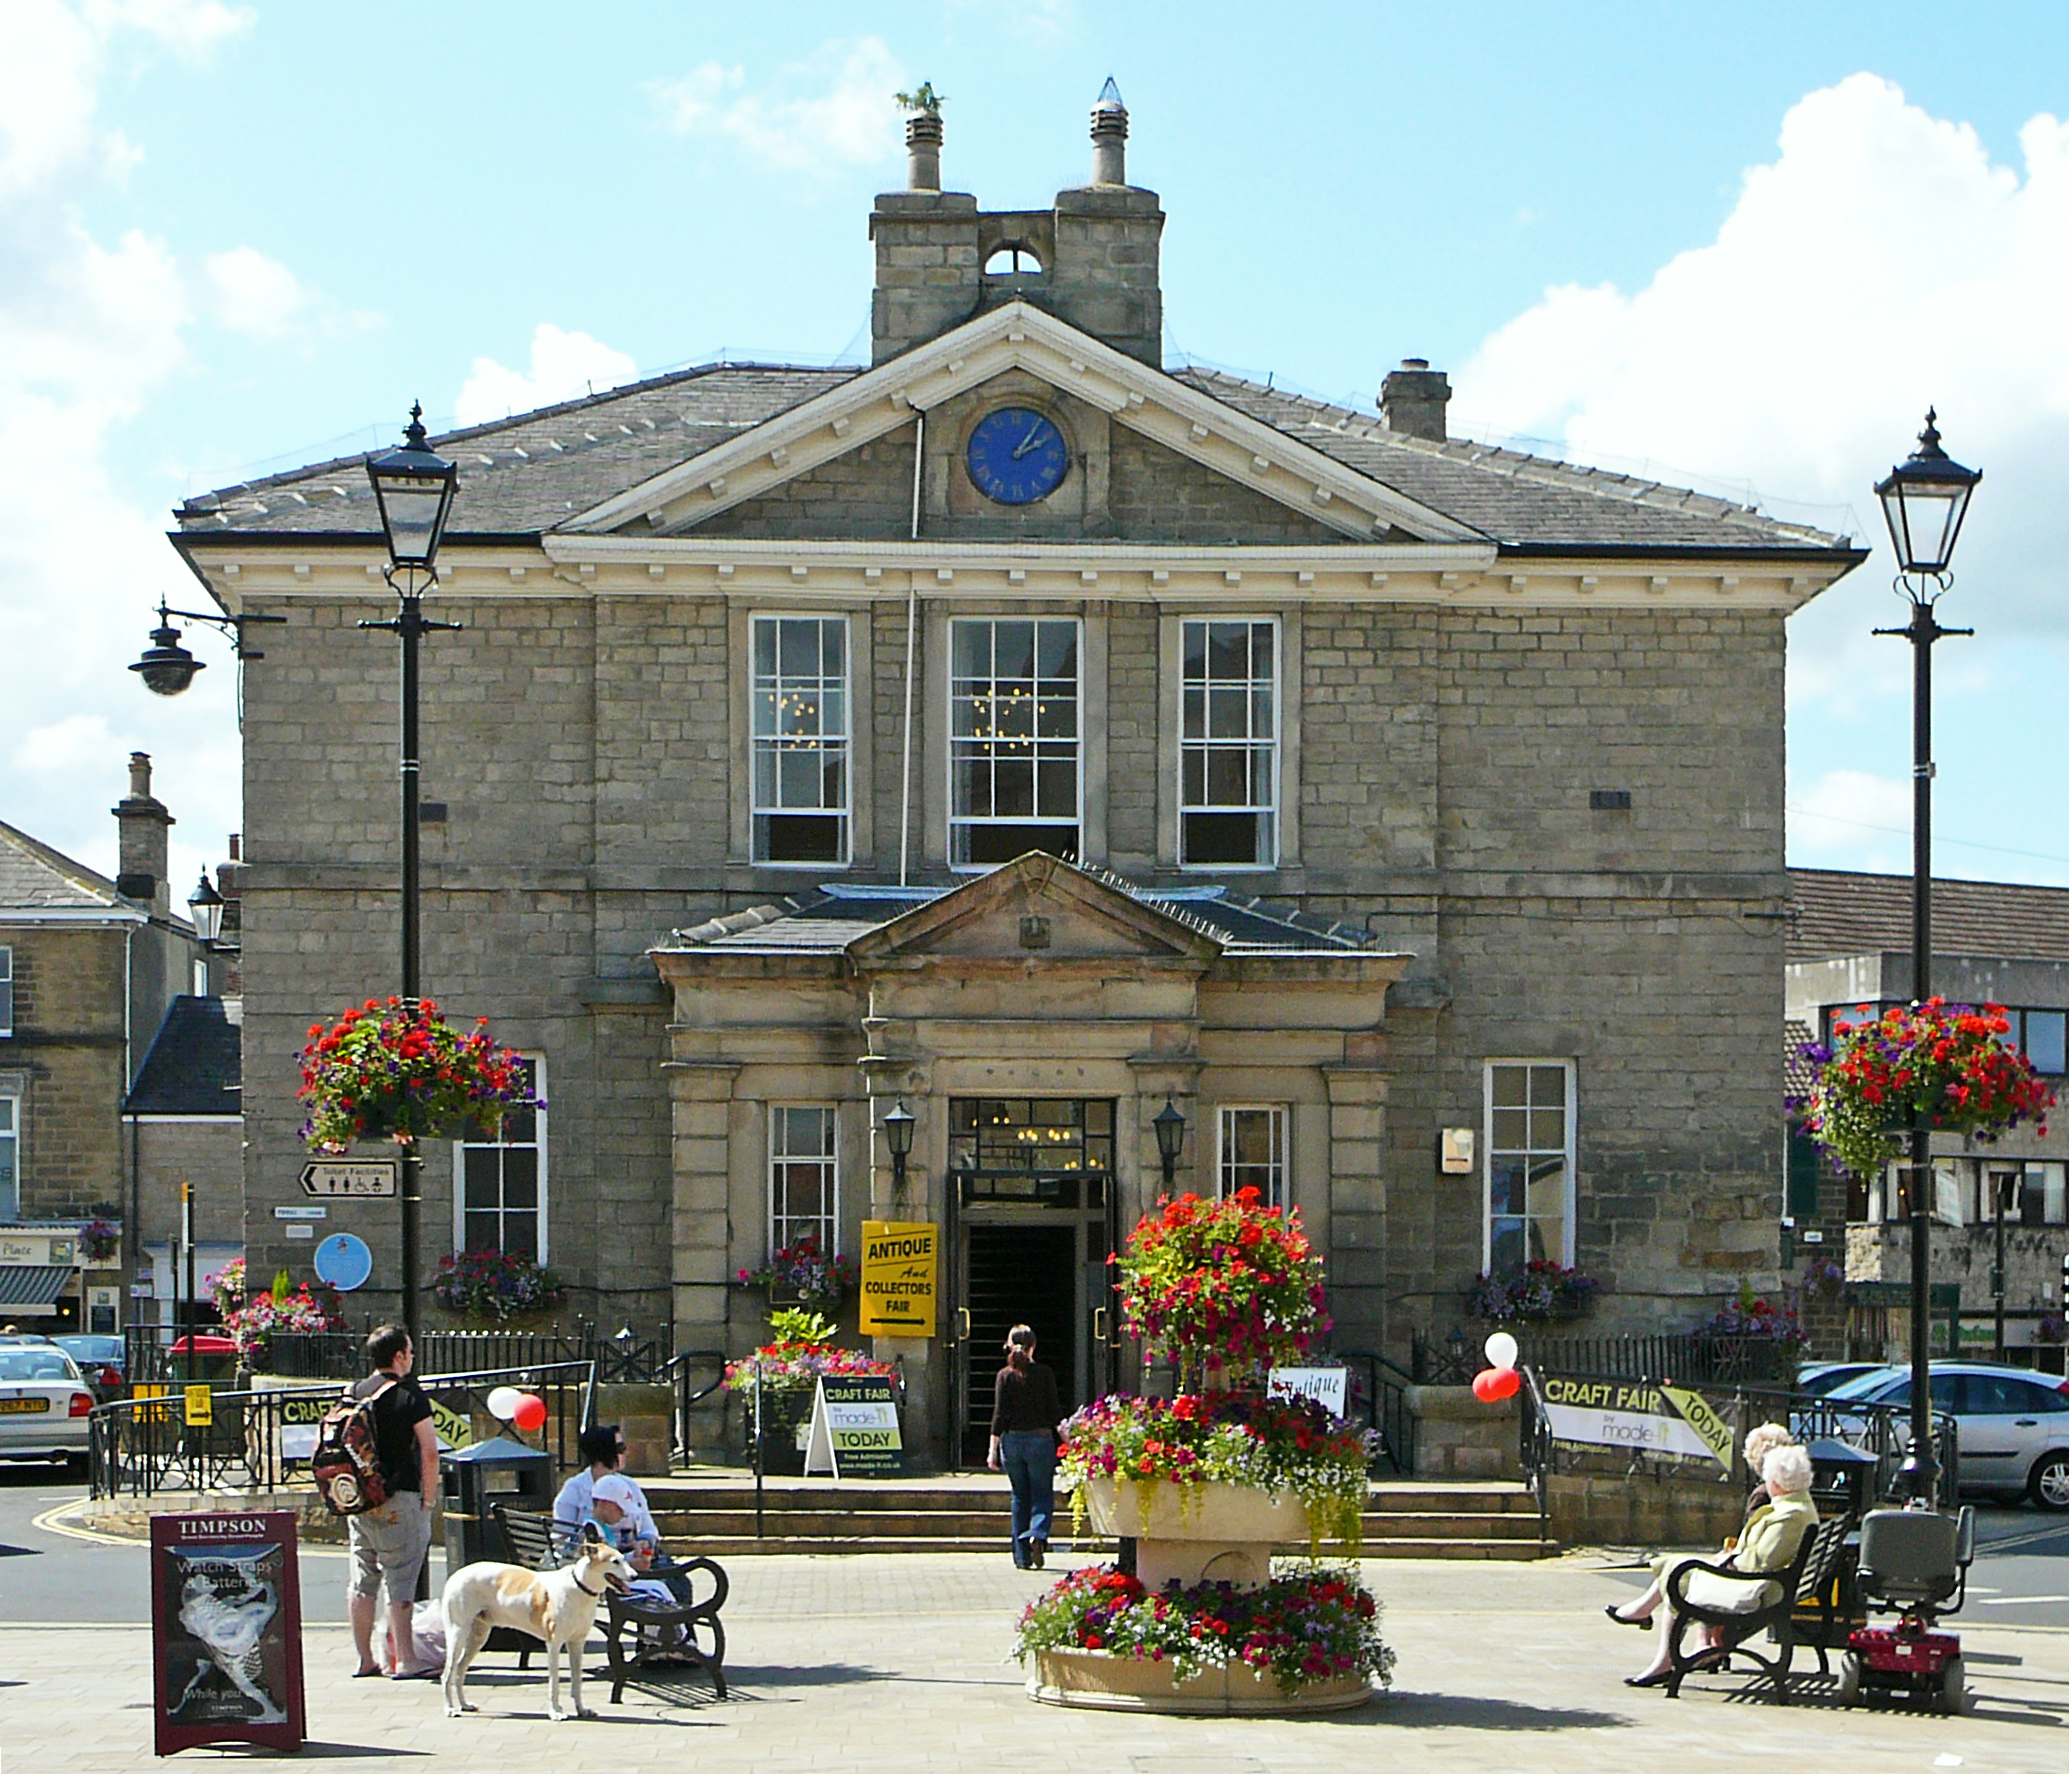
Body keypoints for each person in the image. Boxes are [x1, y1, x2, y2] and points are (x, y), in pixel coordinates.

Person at [1609, 1443, 1820, 1687]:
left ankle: (1658, 1652)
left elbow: (1757, 1563)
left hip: (1759, 1593)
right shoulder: (1798, 1507)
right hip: (1767, 1585)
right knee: (1680, 1570)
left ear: (1775, 1483)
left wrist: (1727, 1561)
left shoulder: (1790, 1515)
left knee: (1680, 1578)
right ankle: (1646, 1623)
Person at [345, 1323, 440, 1680]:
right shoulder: (409, 1395)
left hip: (359, 1499)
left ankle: (364, 1659)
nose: (412, 1358)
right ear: (399, 1356)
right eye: (410, 1352)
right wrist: (427, 1501)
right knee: (401, 1580)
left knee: (362, 1580)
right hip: (399, 1497)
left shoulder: (353, 1391)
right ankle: (406, 1661)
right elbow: (429, 1453)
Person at [987, 1324, 1062, 1570]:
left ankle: (1022, 1557)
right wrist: (1068, 1441)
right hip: (1040, 1441)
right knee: (1042, 1493)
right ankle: (1037, 1534)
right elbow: (1054, 1413)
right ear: (1034, 1346)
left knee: (1019, 1496)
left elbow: (999, 1415)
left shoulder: (1004, 1375)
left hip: (1012, 1442)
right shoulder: (1045, 1373)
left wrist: (992, 1450)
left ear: (1009, 1345)